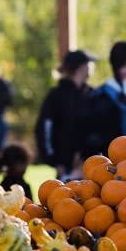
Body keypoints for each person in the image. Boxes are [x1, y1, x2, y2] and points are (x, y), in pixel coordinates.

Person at [35, 50, 98, 180]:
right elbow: (44, 128)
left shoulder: (92, 94)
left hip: (91, 165)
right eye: (89, 64)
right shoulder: (57, 95)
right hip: (65, 167)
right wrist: (53, 160)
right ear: (81, 67)